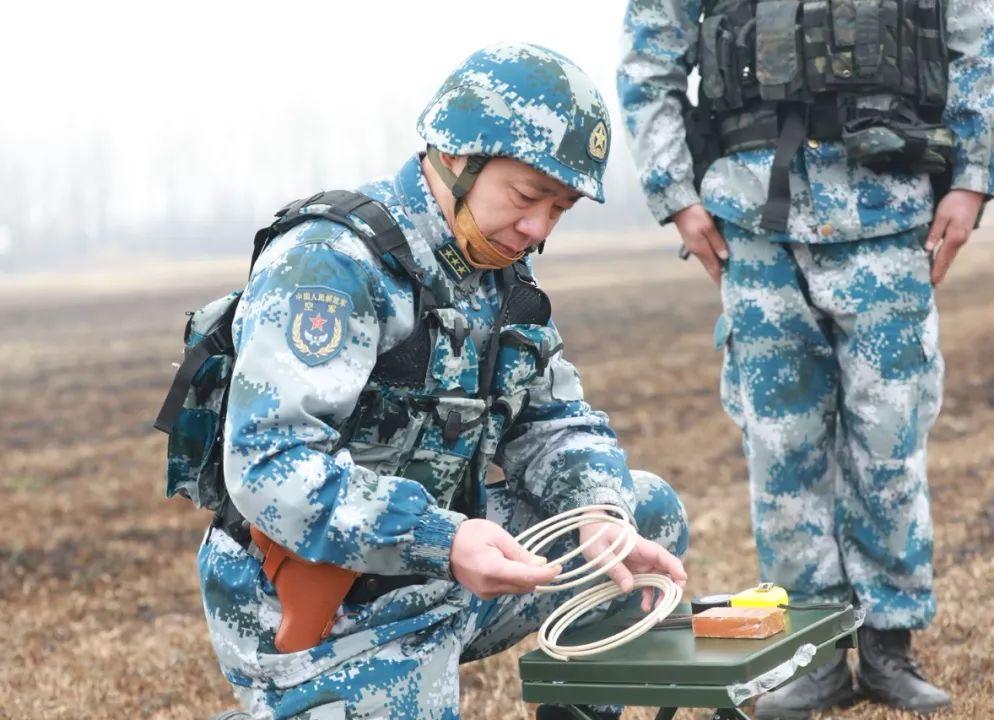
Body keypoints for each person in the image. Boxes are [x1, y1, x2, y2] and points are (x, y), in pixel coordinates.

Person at [199, 43, 689, 720]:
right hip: (326, 602)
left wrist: (601, 510)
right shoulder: (331, 263)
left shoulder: (500, 271)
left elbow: (552, 421)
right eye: (527, 197)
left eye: (561, 209)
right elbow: (268, 465)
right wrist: (444, 540)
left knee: (644, 512)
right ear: (458, 156)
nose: (537, 228)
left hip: (445, 565)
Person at [617, 1, 994, 717]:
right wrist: (673, 194)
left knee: (889, 443)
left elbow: (976, 43)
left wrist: (974, 176)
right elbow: (651, 56)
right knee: (782, 452)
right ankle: (817, 653)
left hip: (888, 207)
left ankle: (891, 647)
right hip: (754, 223)